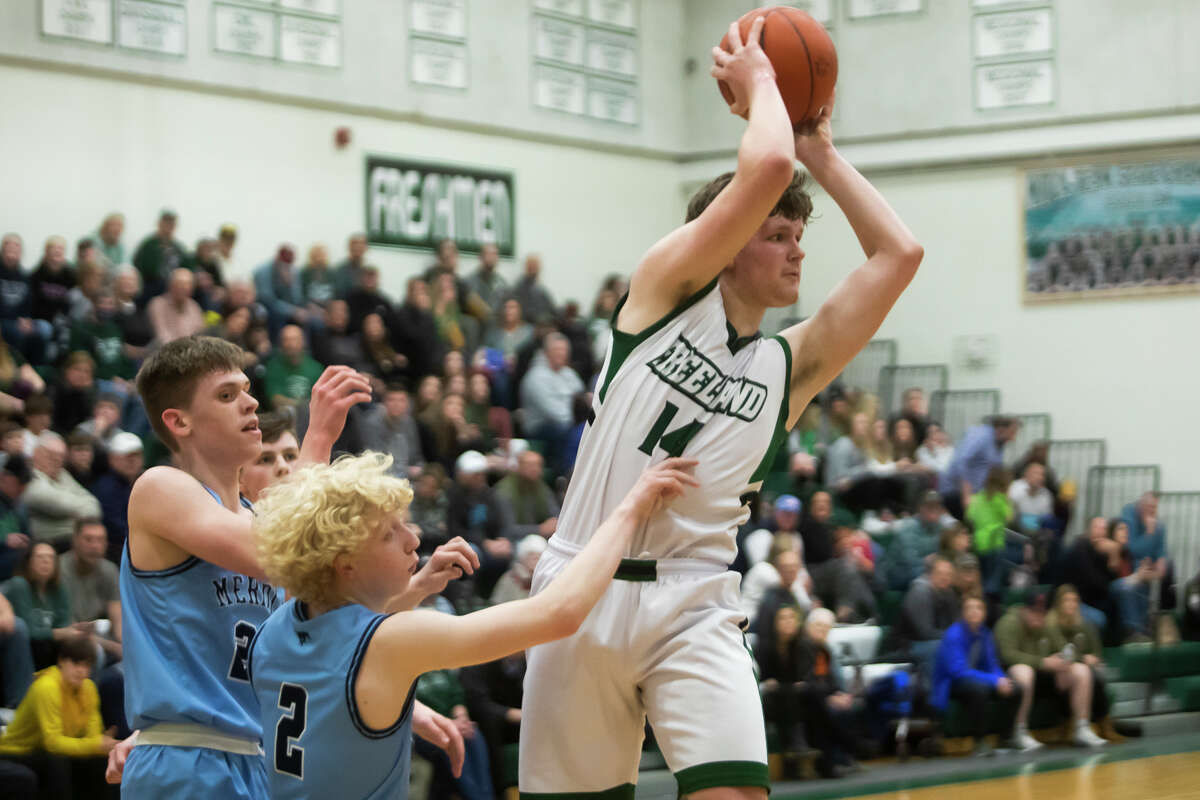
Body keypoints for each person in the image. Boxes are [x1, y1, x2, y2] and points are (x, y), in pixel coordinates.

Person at [521, 16, 923, 796]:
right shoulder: (663, 295)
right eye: (778, 232)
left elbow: (899, 255)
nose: (798, 248)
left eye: (799, 233)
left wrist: (822, 154)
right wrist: (765, 87)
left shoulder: (789, 365)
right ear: (728, 237)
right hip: (584, 586)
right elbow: (765, 162)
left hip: (696, 601)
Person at [246, 451, 697, 799]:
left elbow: (342, 644)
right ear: (344, 564)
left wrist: (418, 585)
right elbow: (559, 613)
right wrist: (630, 510)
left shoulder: (275, 629)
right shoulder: (388, 642)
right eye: (390, 534)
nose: (414, 538)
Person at [105, 336, 372, 797]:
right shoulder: (160, 487)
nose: (250, 404)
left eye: (247, 389)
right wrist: (319, 440)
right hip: (188, 758)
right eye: (227, 395)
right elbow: (279, 551)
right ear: (179, 421)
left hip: (255, 755)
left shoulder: (253, 519)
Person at [0, 634, 117, 799]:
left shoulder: (89, 688)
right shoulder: (46, 687)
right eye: (76, 663)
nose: (81, 671)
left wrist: (101, 745)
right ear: (61, 661)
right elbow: (53, 743)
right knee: (56, 761)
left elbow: (92, 735)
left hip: (47, 751)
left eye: (87, 666)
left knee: (99, 760)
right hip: (17, 751)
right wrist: (96, 744)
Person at [994, 589, 1106, 749]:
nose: (1038, 617)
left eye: (1042, 612)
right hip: (1011, 679)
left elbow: (1065, 649)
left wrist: (1064, 661)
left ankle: (1082, 727)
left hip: (1043, 677)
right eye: (1034, 612)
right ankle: (1018, 731)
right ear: (1024, 609)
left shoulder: (1046, 624)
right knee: (1024, 671)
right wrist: (1044, 662)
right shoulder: (1008, 623)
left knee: (1080, 670)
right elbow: (1008, 656)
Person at [930, 594, 1021, 756]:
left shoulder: (985, 634)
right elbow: (958, 672)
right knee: (981, 690)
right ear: (963, 613)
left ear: (984, 613)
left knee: (1016, 688)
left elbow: (991, 664)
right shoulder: (954, 634)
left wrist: (1002, 679)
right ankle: (979, 742)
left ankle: (1005, 737)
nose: (974, 612)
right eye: (969, 608)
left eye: (978, 608)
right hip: (951, 684)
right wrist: (994, 680)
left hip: (977, 679)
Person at [752, 605, 807, 777]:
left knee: (799, 697)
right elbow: (763, 680)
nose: (788, 622)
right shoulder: (764, 646)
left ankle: (797, 752)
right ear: (774, 623)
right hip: (768, 698)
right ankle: (795, 744)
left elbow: (804, 678)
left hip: (793, 697)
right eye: (783, 618)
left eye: (792, 617)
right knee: (784, 697)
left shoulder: (802, 646)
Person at [58, 519, 122, 666]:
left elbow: (117, 617)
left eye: (100, 540)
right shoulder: (59, 570)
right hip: (68, 636)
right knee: (93, 651)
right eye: (88, 539)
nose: (95, 546)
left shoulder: (109, 570)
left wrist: (125, 643)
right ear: (75, 541)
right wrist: (114, 647)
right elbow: (70, 628)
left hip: (98, 633)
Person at [25, 432, 102, 550]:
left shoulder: (62, 474)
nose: (56, 460)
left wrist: (70, 515)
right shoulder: (30, 478)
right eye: (50, 455)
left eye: (60, 456)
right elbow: (58, 503)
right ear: (36, 453)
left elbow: (94, 505)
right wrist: (78, 516)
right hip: (47, 545)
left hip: (72, 543)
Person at [4, 542, 73, 669]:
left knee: (82, 648)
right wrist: (60, 633)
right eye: (40, 557)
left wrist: (74, 632)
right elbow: (29, 632)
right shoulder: (19, 585)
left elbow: (63, 624)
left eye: (50, 557)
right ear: (28, 562)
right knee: (42, 646)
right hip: (17, 649)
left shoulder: (59, 589)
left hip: (44, 648)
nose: (46, 561)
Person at [938, 417, 1020, 519]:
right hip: (956, 492)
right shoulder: (980, 435)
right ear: (1001, 429)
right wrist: (966, 495)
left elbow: (995, 473)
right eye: (1012, 433)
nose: (1013, 438)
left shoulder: (999, 445)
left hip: (977, 496)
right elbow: (962, 462)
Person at [893, 556, 958, 678]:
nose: (945, 578)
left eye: (949, 574)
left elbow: (955, 625)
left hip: (934, 641)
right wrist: (952, 637)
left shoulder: (948, 594)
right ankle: (933, 691)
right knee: (939, 647)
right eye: (940, 573)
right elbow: (924, 633)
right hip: (908, 646)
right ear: (931, 574)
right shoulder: (920, 592)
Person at [89, 432, 144, 563]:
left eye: (136, 456)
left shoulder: (144, 480)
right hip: (119, 551)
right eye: (127, 457)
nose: (132, 461)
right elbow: (116, 528)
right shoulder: (106, 488)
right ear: (112, 459)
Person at [494, 450, 559, 542]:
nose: (535, 469)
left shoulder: (541, 488)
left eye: (538, 465)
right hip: (512, 541)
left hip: (541, 538)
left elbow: (555, 513)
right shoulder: (504, 491)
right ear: (519, 466)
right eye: (530, 465)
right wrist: (540, 529)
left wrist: (554, 522)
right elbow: (509, 528)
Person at [263, 324, 326, 410]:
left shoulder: (316, 368)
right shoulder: (273, 367)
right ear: (281, 343)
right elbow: (275, 400)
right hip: (283, 417)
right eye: (286, 340)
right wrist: (303, 405)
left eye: (294, 339)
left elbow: (320, 401)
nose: (290, 344)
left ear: (303, 341)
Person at [131, 210, 186, 302]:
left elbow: (185, 265)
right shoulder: (149, 244)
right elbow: (139, 266)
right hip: (151, 285)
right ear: (159, 224)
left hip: (173, 286)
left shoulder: (177, 248)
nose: (168, 227)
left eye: (171, 225)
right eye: (166, 224)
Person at [146, 268, 206, 344]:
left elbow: (201, 334)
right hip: (165, 352)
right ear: (170, 286)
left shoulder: (194, 306)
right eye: (179, 284)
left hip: (192, 352)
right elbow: (162, 337)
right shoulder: (157, 304)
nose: (184, 288)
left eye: (188, 285)